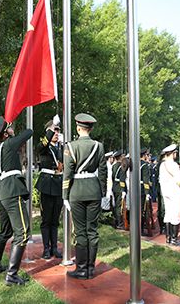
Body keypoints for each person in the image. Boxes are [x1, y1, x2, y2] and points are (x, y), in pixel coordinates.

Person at [0, 116, 33, 286]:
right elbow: (29, 132)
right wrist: (13, 135)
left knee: (5, 232)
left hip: (2, 194)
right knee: (22, 234)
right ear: (5, 134)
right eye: (9, 128)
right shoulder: (9, 144)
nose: (12, 129)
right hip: (13, 193)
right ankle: (12, 275)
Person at [63, 113, 107, 280]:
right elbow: (103, 172)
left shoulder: (71, 146)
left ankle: (81, 269)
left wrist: (65, 196)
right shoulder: (99, 146)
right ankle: (90, 268)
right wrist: (102, 193)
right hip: (94, 190)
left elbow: (67, 173)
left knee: (80, 232)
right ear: (91, 128)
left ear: (78, 128)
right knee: (93, 231)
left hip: (76, 192)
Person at [35, 118, 63, 259]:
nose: (57, 133)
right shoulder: (44, 146)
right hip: (46, 185)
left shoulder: (61, 148)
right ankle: (46, 248)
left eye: (58, 130)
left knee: (55, 219)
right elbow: (41, 147)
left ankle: (54, 248)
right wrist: (51, 130)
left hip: (58, 185)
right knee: (46, 219)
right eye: (54, 131)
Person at [159, 144, 180, 247]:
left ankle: (168, 238)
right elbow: (178, 181)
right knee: (175, 215)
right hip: (174, 192)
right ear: (172, 153)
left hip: (166, 193)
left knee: (168, 214)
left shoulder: (162, 165)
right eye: (175, 153)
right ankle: (174, 239)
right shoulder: (174, 165)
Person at [111, 150, 126, 230]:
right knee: (119, 206)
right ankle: (120, 223)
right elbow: (122, 179)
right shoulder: (122, 166)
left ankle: (117, 221)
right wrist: (123, 189)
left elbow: (113, 177)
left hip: (115, 187)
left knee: (116, 205)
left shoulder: (114, 166)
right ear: (120, 157)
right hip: (120, 188)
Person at [140, 148, 153, 236]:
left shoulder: (135, 163)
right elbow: (145, 180)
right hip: (142, 190)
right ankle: (141, 229)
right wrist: (147, 192)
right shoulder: (144, 165)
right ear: (144, 155)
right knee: (143, 210)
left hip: (134, 189)